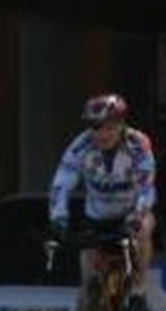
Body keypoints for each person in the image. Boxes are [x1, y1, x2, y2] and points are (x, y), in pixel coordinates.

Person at [48, 92, 158, 286]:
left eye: (109, 128)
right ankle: (90, 305)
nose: (102, 134)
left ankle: (139, 289)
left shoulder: (138, 144)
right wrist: (58, 217)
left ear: (122, 124)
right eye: (95, 128)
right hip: (96, 216)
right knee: (88, 282)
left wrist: (137, 217)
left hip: (131, 212)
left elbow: (146, 186)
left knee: (144, 229)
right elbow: (61, 183)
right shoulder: (80, 146)